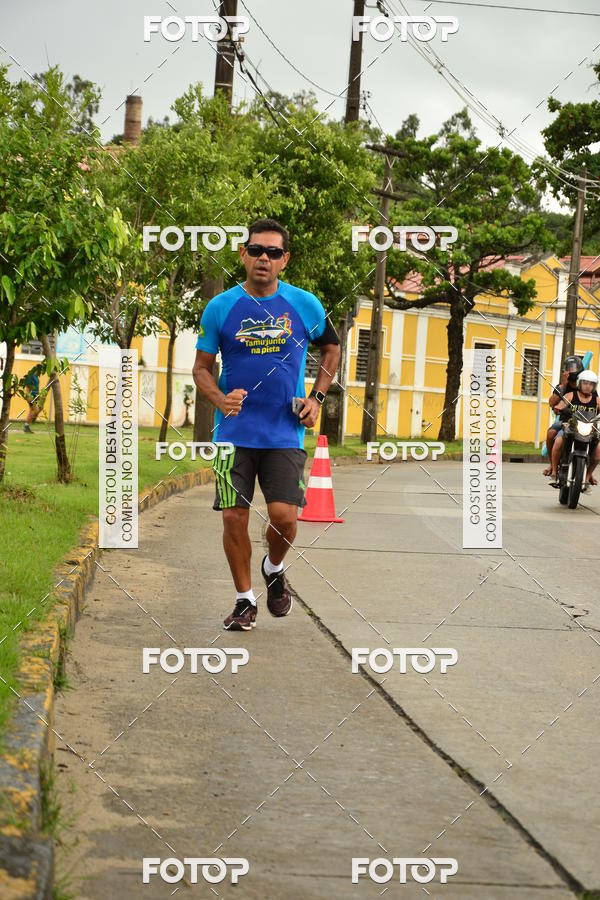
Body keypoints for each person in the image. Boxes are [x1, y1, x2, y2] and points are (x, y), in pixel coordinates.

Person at [192, 218, 341, 631]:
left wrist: (317, 398)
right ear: (243, 254)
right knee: (233, 518)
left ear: (284, 260)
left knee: (285, 518)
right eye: (256, 250)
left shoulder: (304, 304)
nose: (264, 258)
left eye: (273, 252)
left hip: (283, 432)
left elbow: (332, 348)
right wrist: (220, 400)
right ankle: (244, 600)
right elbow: (201, 369)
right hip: (232, 435)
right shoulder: (220, 307)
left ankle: (273, 568)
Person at [550, 369, 600, 486]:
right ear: (579, 383)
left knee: (598, 450)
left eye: (591, 384)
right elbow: (559, 405)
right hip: (570, 426)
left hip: (589, 430)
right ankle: (553, 473)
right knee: (558, 441)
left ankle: (587, 477)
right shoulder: (571, 395)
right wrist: (559, 408)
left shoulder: (596, 400)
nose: (588, 386)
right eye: (585, 383)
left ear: (594, 386)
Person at [543, 355, 583, 476]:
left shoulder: (586, 386)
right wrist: (564, 386)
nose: (571, 370)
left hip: (583, 423)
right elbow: (551, 402)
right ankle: (552, 464)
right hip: (566, 422)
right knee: (551, 433)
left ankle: (588, 471)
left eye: (574, 368)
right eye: (569, 368)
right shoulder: (561, 386)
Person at [23, 368, 42, 433]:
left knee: (33, 410)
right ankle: (26, 426)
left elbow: (37, 387)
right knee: (34, 410)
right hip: (31, 396)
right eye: (40, 371)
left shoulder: (37, 378)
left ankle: (27, 426)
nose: (41, 372)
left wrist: (38, 395)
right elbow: (27, 386)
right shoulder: (31, 376)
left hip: (35, 396)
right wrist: (28, 395)